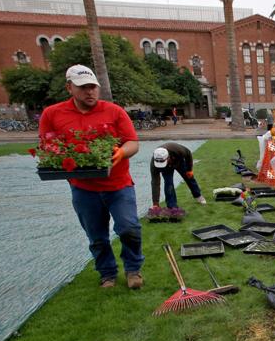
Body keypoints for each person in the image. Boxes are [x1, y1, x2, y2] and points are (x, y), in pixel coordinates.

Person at [39, 64, 144, 289]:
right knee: (96, 236)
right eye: (83, 87)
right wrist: (57, 159)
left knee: (129, 228)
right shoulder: (52, 114)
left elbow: (133, 143)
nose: (90, 92)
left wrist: (121, 152)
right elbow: (47, 145)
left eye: (93, 87)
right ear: (69, 87)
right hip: (83, 188)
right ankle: (107, 274)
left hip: (118, 185)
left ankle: (133, 269)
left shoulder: (114, 111)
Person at [151, 143, 206, 208]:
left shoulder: (177, 149)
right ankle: (172, 206)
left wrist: (189, 169)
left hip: (178, 161)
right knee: (169, 184)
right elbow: (155, 182)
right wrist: (155, 203)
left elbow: (188, 154)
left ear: (168, 157)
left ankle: (198, 195)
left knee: (189, 177)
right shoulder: (154, 164)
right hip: (165, 169)